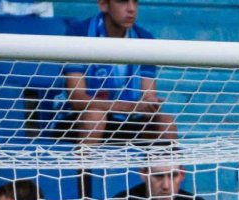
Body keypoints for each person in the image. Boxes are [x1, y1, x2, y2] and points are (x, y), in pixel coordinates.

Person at [62, 0, 177, 145]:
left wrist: (150, 104)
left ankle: (167, 168)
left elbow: (148, 96)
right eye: (123, 2)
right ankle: (85, 168)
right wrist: (128, 107)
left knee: (166, 122)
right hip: (80, 120)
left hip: (127, 120)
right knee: (95, 116)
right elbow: (77, 99)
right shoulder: (79, 33)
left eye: (135, 2)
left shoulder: (144, 39)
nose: (131, 9)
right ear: (104, 4)